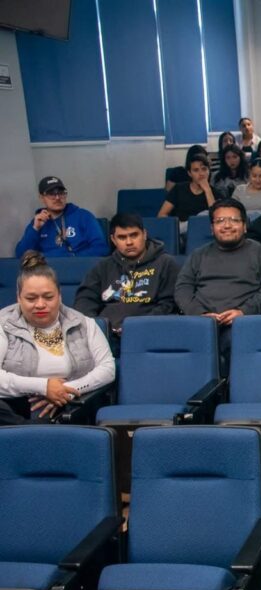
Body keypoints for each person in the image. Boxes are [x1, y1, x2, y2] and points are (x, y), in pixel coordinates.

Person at [0, 252, 114, 425]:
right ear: (18, 298)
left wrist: (65, 391)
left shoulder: (83, 323)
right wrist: (44, 387)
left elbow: (107, 369)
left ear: (60, 296)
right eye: (31, 298)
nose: (40, 304)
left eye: (48, 297)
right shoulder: (3, 324)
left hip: (67, 406)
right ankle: (29, 429)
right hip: (12, 407)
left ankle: (29, 432)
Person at [174, 199, 261, 362]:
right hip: (200, 323)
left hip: (243, 324)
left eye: (234, 220)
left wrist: (244, 311)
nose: (227, 225)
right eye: (220, 221)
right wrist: (200, 314)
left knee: (236, 343)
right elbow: (182, 288)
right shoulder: (198, 255)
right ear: (212, 228)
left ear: (245, 226)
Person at [73, 211, 180, 349]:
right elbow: (85, 301)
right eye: (122, 237)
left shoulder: (165, 263)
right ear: (113, 240)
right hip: (107, 338)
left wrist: (136, 327)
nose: (129, 242)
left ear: (144, 234)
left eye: (134, 235)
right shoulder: (103, 267)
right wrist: (97, 328)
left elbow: (168, 304)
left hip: (148, 335)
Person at [16, 177, 107, 258]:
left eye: (61, 193)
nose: (57, 197)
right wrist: (35, 229)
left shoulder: (84, 216)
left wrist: (73, 258)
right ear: (41, 198)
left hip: (80, 267)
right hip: (48, 269)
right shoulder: (37, 222)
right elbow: (21, 256)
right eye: (51, 194)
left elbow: (102, 248)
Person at [158, 155, 217, 222]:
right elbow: (161, 214)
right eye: (196, 170)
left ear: (209, 171)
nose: (201, 173)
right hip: (181, 226)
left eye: (204, 169)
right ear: (189, 173)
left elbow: (215, 218)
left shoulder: (215, 193)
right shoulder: (178, 189)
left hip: (204, 227)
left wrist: (208, 191)